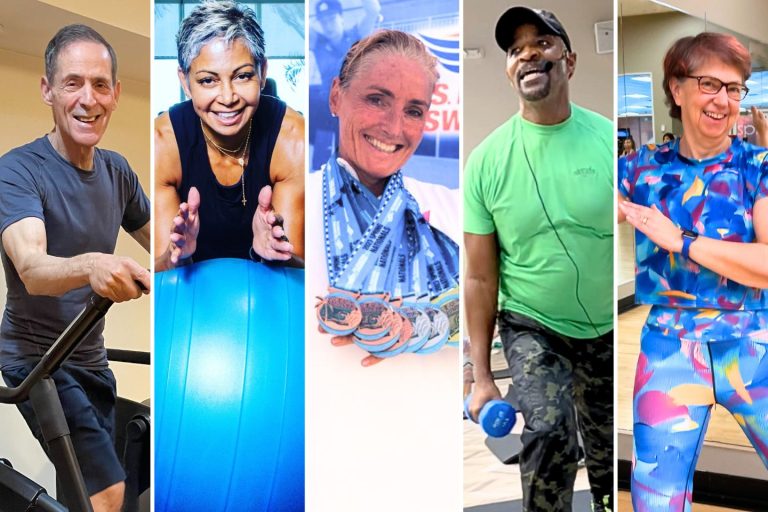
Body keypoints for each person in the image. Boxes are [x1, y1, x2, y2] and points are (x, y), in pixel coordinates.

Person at [464, 7, 614, 512]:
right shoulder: (486, 161)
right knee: (550, 433)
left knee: (606, 452)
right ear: (509, 69)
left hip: (604, 328)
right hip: (533, 322)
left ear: (568, 62)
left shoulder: (606, 142)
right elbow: (481, 277)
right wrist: (482, 374)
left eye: (542, 43)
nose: (527, 53)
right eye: (515, 49)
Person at [306, 28, 460, 511]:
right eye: (377, 99)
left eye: (414, 110)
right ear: (337, 95)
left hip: (425, 462)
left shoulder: (452, 209)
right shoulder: (289, 210)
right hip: (323, 465)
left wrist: (423, 323)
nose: (395, 126)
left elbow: (485, 311)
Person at [0, 25, 150, 512]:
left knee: (92, 491)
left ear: (116, 93)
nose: (89, 99)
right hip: (38, 360)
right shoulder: (19, 170)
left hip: (90, 357)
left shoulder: (118, 172)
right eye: (73, 83)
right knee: (105, 493)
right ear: (48, 90)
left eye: (101, 84)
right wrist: (92, 265)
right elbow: (32, 268)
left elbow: (173, 247)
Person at [618, 32, 768, 511]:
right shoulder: (639, 169)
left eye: (734, 88)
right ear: (676, 89)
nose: (723, 100)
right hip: (670, 346)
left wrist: (677, 239)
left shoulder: (758, 166)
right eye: (709, 83)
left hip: (753, 341)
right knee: (655, 497)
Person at [155, 0, 304, 271]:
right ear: (185, 83)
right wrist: (178, 254)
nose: (227, 98)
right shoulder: (162, 143)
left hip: (270, 300)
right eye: (208, 81)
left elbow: (300, 270)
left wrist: (270, 252)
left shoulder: (293, 138)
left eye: (243, 76)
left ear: (263, 72)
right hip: (189, 303)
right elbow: (160, 271)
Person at [309, 0, 380, 169]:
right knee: (321, 163)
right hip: (328, 108)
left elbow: (373, 10)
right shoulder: (318, 42)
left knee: (351, 160)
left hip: (353, 106)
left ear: (341, 18)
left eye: (332, 19)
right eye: (324, 21)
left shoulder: (356, 36)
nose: (328, 25)